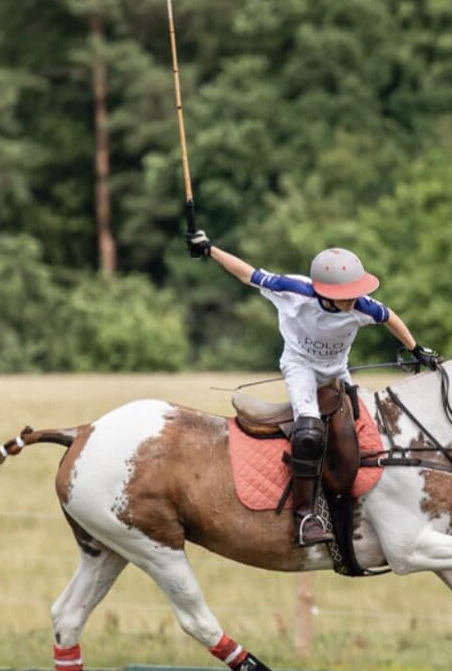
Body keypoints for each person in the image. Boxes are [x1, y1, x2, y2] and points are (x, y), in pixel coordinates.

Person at [186, 228, 438, 546]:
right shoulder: (292, 290)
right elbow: (248, 275)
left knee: (371, 429)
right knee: (308, 434)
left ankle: (369, 504)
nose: (354, 299)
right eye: (347, 293)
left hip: (337, 374)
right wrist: (210, 249)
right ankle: (304, 518)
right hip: (300, 367)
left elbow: (390, 317)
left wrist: (416, 349)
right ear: (324, 291)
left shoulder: (362, 306)